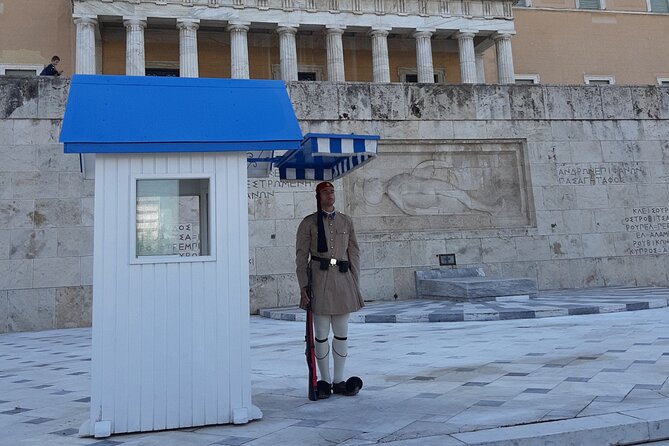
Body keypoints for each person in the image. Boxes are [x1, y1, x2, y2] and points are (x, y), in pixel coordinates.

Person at [296, 181, 364, 398]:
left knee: (342, 333)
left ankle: (339, 380)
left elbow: (354, 252)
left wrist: (354, 280)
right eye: (325, 192)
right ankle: (324, 380)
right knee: (322, 334)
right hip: (320, 278)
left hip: (343, 278)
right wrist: (303, 286)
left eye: (332, 191)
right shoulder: (309, 223)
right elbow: (301, 257)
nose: (330, 195)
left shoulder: (346, 221)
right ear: (318, 196)